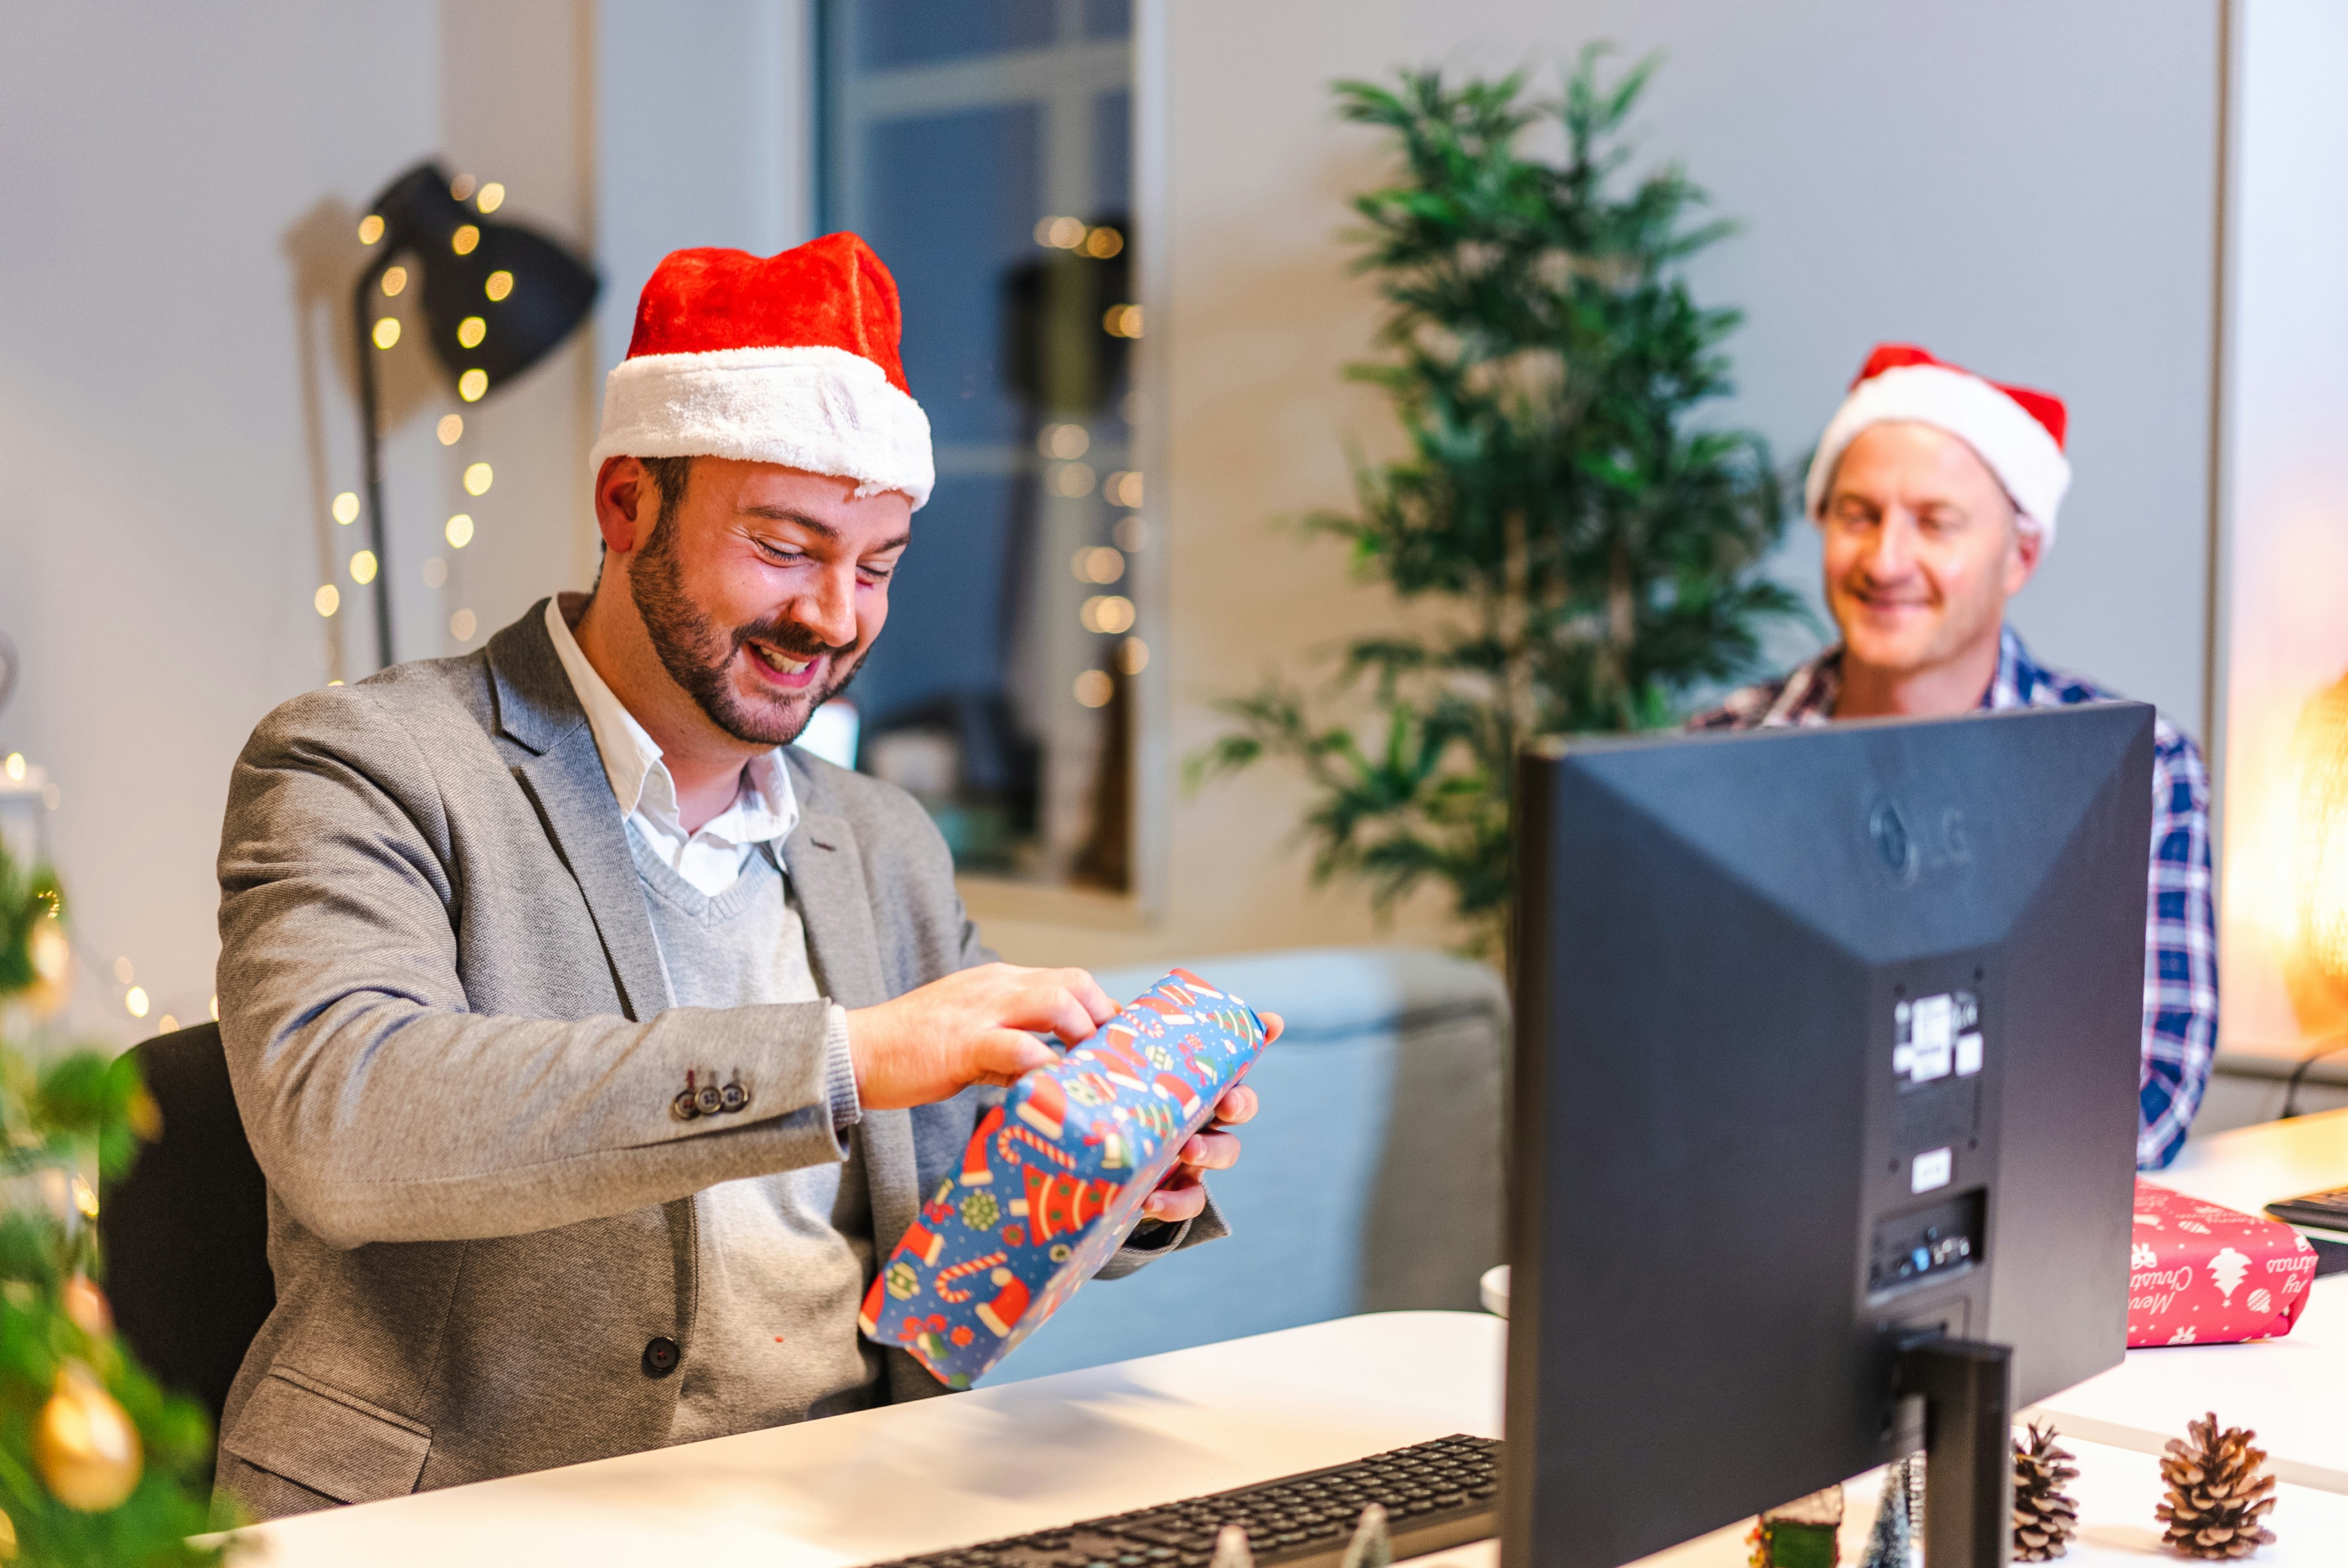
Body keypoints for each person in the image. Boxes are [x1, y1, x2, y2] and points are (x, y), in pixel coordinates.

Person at [211, 235, 1274, 1520]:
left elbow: (959, 1202)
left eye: (875, 566)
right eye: (784, 547)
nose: (834, 618)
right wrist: (846, 1058)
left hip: (844, 1497)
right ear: (626, 507)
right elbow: (352, 1123)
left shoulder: (882, 839)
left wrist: (1114, 1175)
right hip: (470, 1509)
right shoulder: (362, 760)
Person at [1692, 343, 2215, 1170]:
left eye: (1934, 523)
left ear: (2022, 556)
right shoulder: (1711, 757)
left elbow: (2149, 1095)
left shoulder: (2139, 773)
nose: (1886, 560)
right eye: (1857, 515)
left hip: (2020, 1239)